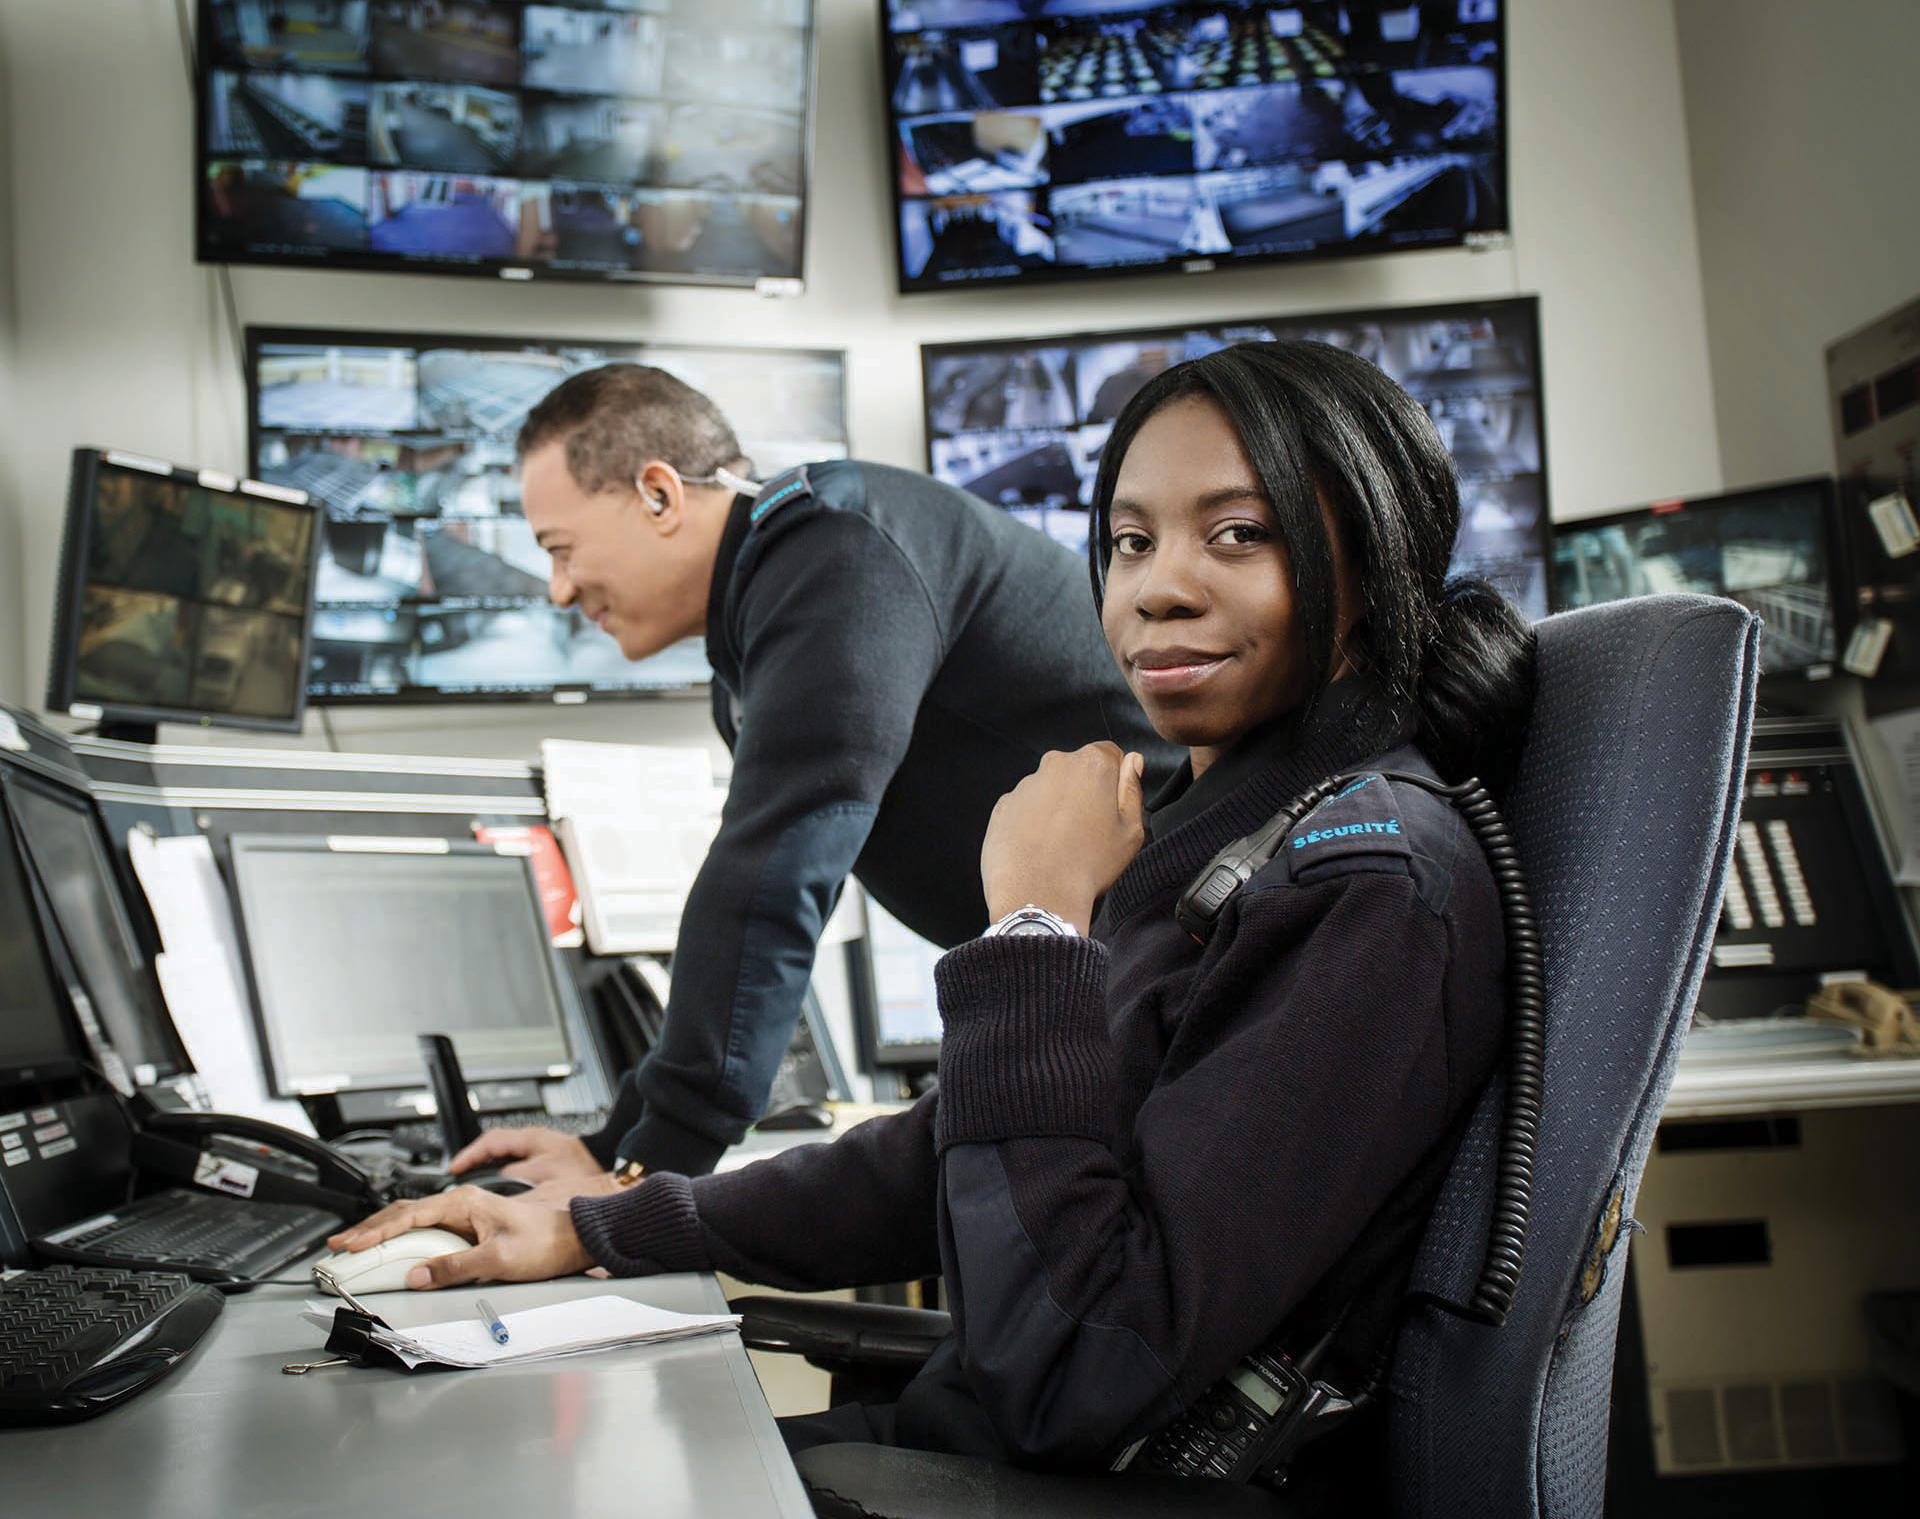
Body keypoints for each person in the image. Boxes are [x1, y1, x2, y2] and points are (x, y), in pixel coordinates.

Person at [327, 339, 1535, 1495]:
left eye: (1237, 533)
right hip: (983, 1440)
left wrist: (1035, 931)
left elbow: (1070, 1366)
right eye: (1126, 541)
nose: (1160, 587)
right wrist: (607, 1224)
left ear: (1369, 564)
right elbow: (958, 1141)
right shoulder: (1225, 849)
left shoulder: (1364, 893)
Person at [457, 362, 1178, 1191]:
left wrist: (640, 1174)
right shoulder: (776, 594)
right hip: (1113, 999)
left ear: (659, 494)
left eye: (561, 549)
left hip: (1180, 985)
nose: (557, 589)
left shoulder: (834, 549)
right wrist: (608, 1145)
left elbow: (775, 868)